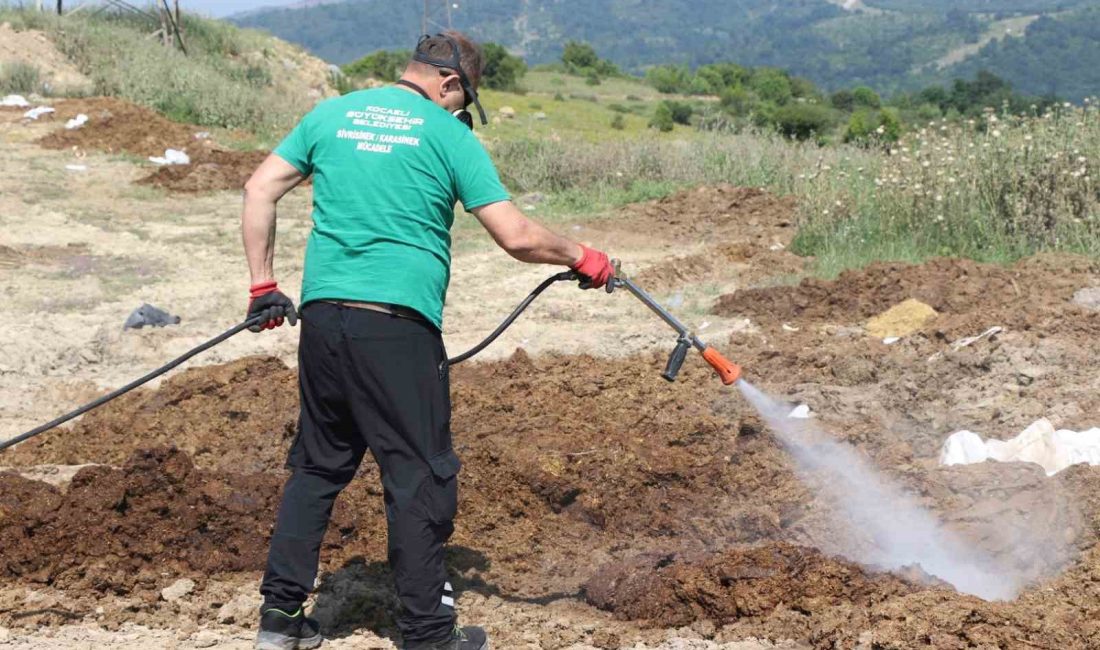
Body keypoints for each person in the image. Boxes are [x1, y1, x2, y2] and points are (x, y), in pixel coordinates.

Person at [241, 31, 615, 650]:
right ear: (449, 83)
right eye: (461, 101)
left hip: (324, 322)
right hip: (396, 328)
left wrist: (262, 286)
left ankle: (279, 623)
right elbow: (516, 235)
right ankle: (428, 635)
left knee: (316, 467)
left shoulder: (329, 115)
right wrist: (584, 256)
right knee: (419, 476)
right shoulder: (447, 135)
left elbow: (259, 188)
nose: (459, 113)